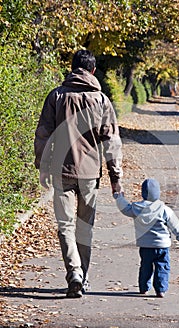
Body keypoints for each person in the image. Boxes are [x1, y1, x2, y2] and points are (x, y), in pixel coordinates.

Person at [34, 50, 123, 298]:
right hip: (90, 173)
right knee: (86, 228)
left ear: (72, 68)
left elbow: (43, 134)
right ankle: (82, 276)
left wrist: (42, 165)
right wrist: (115, 178)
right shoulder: (102, 100)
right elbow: (112, 141)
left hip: (62, 171)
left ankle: (74, 272)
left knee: (65, 225)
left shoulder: (56, 96)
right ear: (93, 71)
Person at [114, 178, 179, 297]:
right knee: (162, 266)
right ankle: (161, 289)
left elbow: (124, 208)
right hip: (162, 245)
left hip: (145, 245)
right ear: (157, 193)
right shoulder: (164, 209)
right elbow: (175, 224)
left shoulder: (136, 208)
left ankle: (143, 287)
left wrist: (119, 197)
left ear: (143, 193)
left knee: (145, 266)